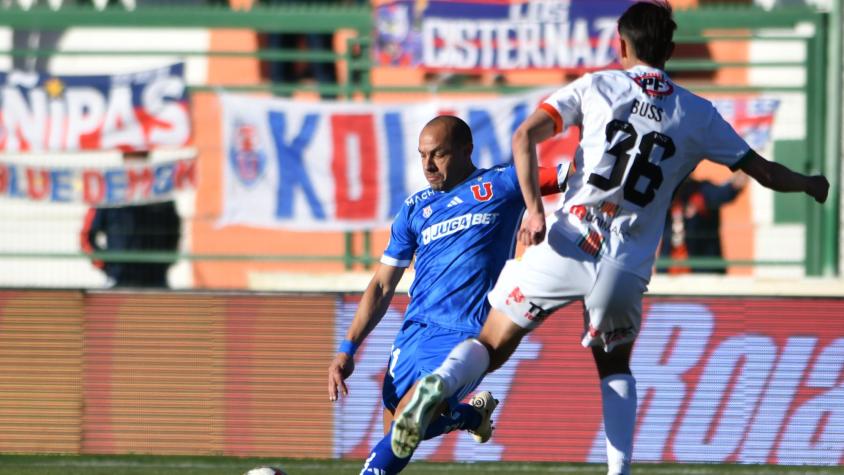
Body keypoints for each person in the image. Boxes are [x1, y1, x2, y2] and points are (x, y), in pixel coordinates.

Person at [391, 3, 830, 475]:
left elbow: (524, 136)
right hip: (625, 264)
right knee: (614, 365)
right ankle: (619, 472)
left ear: (621, 44)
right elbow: (762, 171)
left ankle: (440, 383)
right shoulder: (699, 114)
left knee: (492, 340)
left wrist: (536, 210)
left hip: (569, 240)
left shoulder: (597, 84)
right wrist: (808, 184)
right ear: (672, 50)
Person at [327, 115, 568, 475]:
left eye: (438, 154)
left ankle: (465, 416)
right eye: (422, 155)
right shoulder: (414, 209)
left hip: (464, 336)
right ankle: (468, 416)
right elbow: (381, 285)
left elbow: (570, 173)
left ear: (465, 150)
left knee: (407, 424)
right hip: (413, 336)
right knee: (399, 431)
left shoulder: (500, 184)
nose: (427, 165)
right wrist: (347, 348)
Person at [661, 171, 748, 274]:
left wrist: (747, 165)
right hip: (668, 271)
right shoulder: (665, 195)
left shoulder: (703, 190)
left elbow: (727, 191)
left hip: (703, 271)